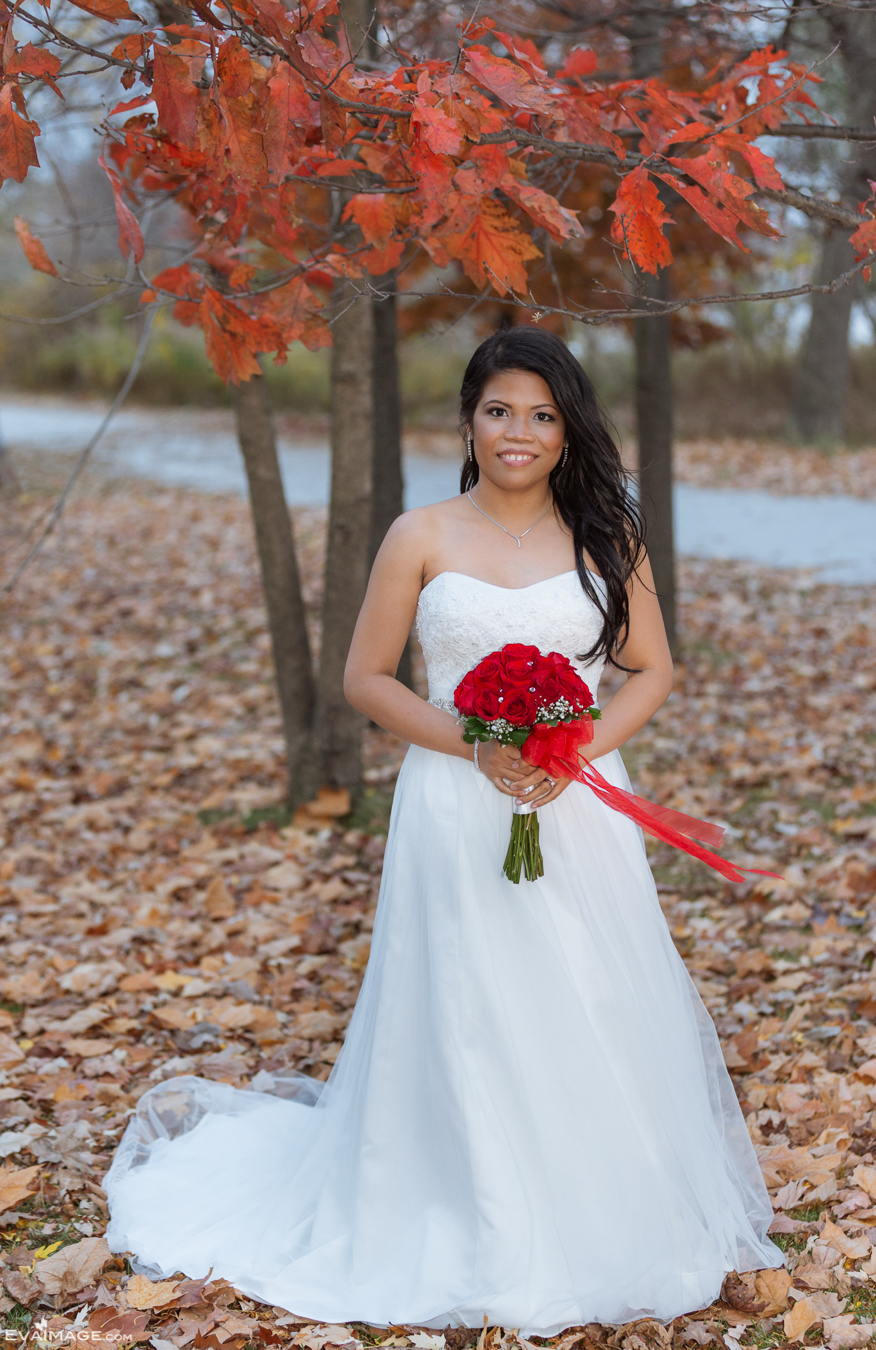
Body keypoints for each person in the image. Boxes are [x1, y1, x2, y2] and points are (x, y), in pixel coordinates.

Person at [105, 327, 781, 1333]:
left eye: (543, 415)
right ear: (469, 417)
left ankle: (595, 1205)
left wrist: (577, 750)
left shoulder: (607, 534)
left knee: (584, 992)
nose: (520, 432)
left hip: (575, 805)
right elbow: (365, 678)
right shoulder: (419, 535)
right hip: (454, 804)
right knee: (465, 1001)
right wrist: (475, 748)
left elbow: (654, 670)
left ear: (567, 429)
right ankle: (461, 1209)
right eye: (500, 410)